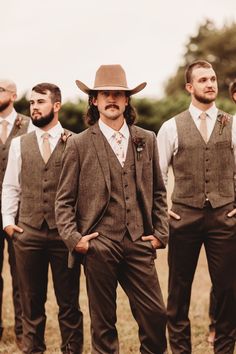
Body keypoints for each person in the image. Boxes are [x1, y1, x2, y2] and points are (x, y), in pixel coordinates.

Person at [55, 64, 169, 354]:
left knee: (155, 315)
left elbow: (158, 191)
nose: (112, 99)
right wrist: (75, 240)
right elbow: (64, 201)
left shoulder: (147, 139)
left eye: (118, 94)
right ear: (94, 100)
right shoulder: (79, 144)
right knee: (103, 324)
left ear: (127, 100)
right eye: (105, 94)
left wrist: (159, 233)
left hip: (139, 242)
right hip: (98, 245)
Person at [157, 60, 236, 354]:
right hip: (184, 216)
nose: (211, 84)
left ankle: (225, 349)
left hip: (224, 216)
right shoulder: (171, 127)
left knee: (228, 290)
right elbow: (158, 174)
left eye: (213, 79)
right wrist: (164, 208)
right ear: (190, 87)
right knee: (179, 291)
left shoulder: (233, 123)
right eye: (203, 80)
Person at [2, 83, 83, 354]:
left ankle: (71, 350)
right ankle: (32, 350)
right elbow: (11, 187)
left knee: (69, 303)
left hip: (64, 235)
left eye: (41, 102)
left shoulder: (76, 142)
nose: (34, 107)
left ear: (56, 106)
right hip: (28, 233)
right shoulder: (18, 145)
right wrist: (8, 223)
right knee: (31, 303)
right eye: (32, 102)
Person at [0, 79, 32, 349]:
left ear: (13, 94)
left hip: (20, 212)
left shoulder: (29, 124)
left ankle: (23, 330)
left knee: (21, 273)